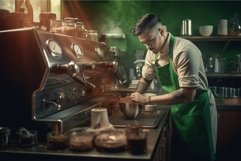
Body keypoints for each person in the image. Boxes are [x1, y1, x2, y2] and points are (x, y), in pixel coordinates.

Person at [130, 13, 217, 161]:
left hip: (197, 111)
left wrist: (147, 99)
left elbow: (187, 95)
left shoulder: (184, 51)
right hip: (177, 110)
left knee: (200, 156)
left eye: (150, 40)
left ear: (161, 31)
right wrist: (133, 99)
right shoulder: (152, 51)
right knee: (180, 155)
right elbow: (145, 78)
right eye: (143, 43)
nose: (148, 47)